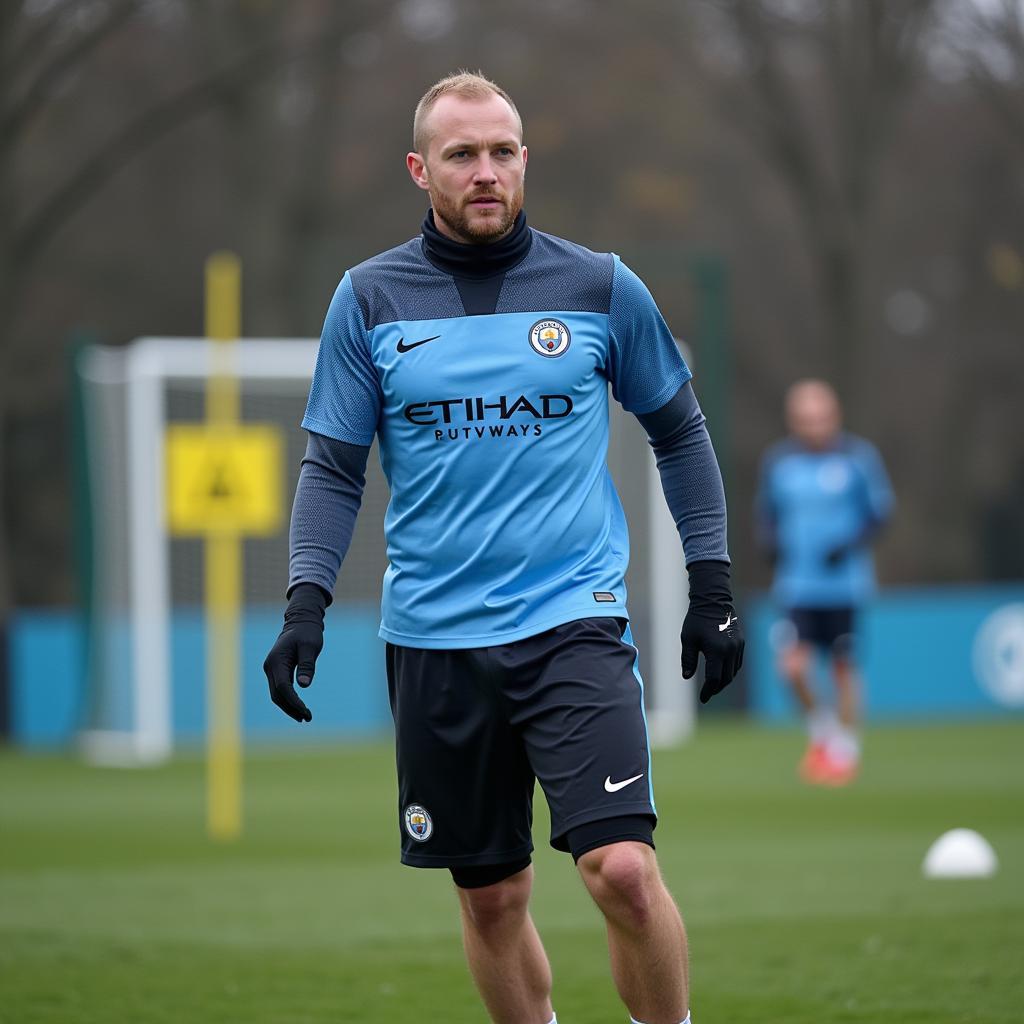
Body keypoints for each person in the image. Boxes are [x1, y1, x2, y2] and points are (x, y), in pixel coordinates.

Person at [264, 70, 743, 1024]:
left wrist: (713, 581)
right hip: (434, 639)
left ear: (525, 160)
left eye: (502, 152)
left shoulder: (603, 286)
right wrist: (305, 601)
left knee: (623, 873)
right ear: (420, 169)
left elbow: (681, 433)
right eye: (462, 155)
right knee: (491, 897)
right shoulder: (367, 301)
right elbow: (331, 469)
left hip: (573, 622)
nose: (486, 171)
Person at [755, 379, 893, 785]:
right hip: (797, 585)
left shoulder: (858, 458)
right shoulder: (779, 463)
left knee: (844, 668)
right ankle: (824, 735)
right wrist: (770, 541)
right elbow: (767, 513)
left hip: (844, 586)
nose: (813, 426)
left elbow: (880, 513)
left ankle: (845, 751)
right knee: (792, 667)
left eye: (819, 418)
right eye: (804, 419)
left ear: (834, 417)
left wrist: (848, 543)